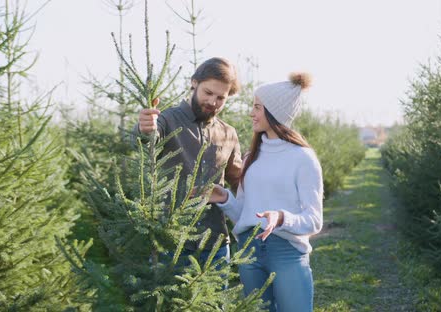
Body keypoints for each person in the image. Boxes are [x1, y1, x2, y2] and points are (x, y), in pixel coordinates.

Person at [209, 73, 323, 312]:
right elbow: (245, 214)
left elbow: (314, 220)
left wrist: (281, 218)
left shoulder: (302, 158)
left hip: (286, 253)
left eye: (258, 107)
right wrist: (225, 199)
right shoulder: (252, 158)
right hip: (249, 253)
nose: (252, 113)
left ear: (275, 112)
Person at [133, 57, 242, 265]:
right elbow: (147, 141)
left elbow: (240, 181)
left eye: (221, 98)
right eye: (208, 93)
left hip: (215, 244)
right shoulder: (166, 119)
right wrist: (144, 129)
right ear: (194, 83)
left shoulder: (228, 133)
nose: (213, 102)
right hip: (172, 243)